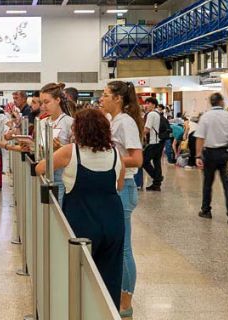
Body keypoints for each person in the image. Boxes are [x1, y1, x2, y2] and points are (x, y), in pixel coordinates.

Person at [35, 109, 125, 311]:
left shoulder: (71, 151)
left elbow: (40, 168)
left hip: (81, 219)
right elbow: (119, 185)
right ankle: (108, 312)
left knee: (78, 273)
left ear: (79, 129)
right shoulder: (115, 154)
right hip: (113, 220)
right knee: (110, 274)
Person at [100, 81, 144, 318]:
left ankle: (126, 301)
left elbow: (137, 159)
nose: (102, 98)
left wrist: (109, 158)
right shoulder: (113, 121)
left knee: (125, 248)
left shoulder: (125, 122)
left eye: (106, 95)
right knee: (118, 245)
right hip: (115, 185)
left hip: (125, 186)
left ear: (118, 98)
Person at [196, 93, 228, 223]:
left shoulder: (205, 117)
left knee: (207, 183)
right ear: (221, 102)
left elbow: (200, 137)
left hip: (209, 154)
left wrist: (198, 155)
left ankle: (206, 210)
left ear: (211, 102)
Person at [142, 97, 164, 191]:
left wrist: (137, 135)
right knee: (156, 162)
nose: (146, 105)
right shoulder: (157, 113)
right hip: (159, 141)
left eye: (148, 103)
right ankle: (156, 184)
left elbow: (147, 129)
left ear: (154, 105)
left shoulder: (151, 114)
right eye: (146, 103)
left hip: (153, 142)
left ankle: (157, 178)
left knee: (143, 161)